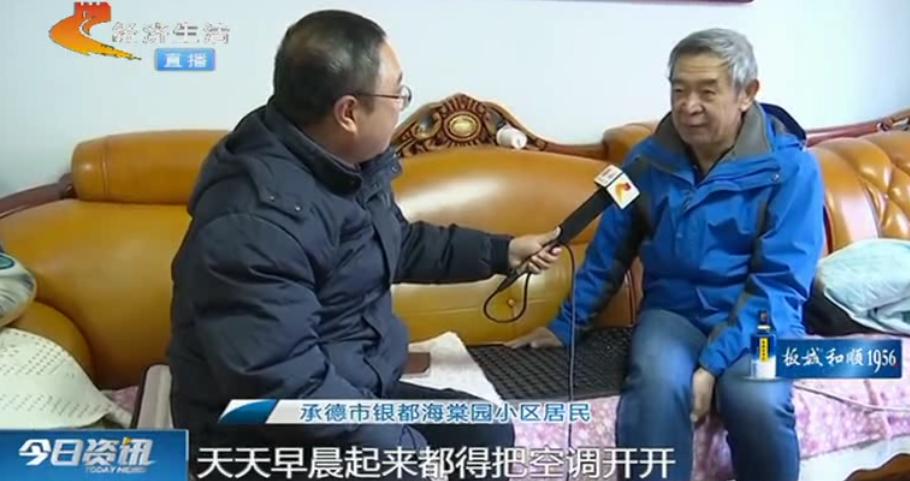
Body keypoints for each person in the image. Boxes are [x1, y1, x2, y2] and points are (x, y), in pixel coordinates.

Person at [167, 10, 561, 480]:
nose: (402, 105)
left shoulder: (342, 165)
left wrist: (502, 252)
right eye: (397, 93)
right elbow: (288, 390)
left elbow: (396, 243)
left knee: (482, 432)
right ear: (349, 113)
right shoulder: (253, 223)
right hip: (259, 434)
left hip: (352, 387)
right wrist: (406, 455)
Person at [507, 28, 825, 481]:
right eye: (679, 90)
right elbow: (610, 248)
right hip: (674, 314)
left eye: (707, 92)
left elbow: (780, 284)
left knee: (755, 398)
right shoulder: (646, 161)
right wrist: (567, 324)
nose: (688, 106)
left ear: (746, 94)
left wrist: (712, 366)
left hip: (762, 321)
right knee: (655, 385)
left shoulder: (793, 169)